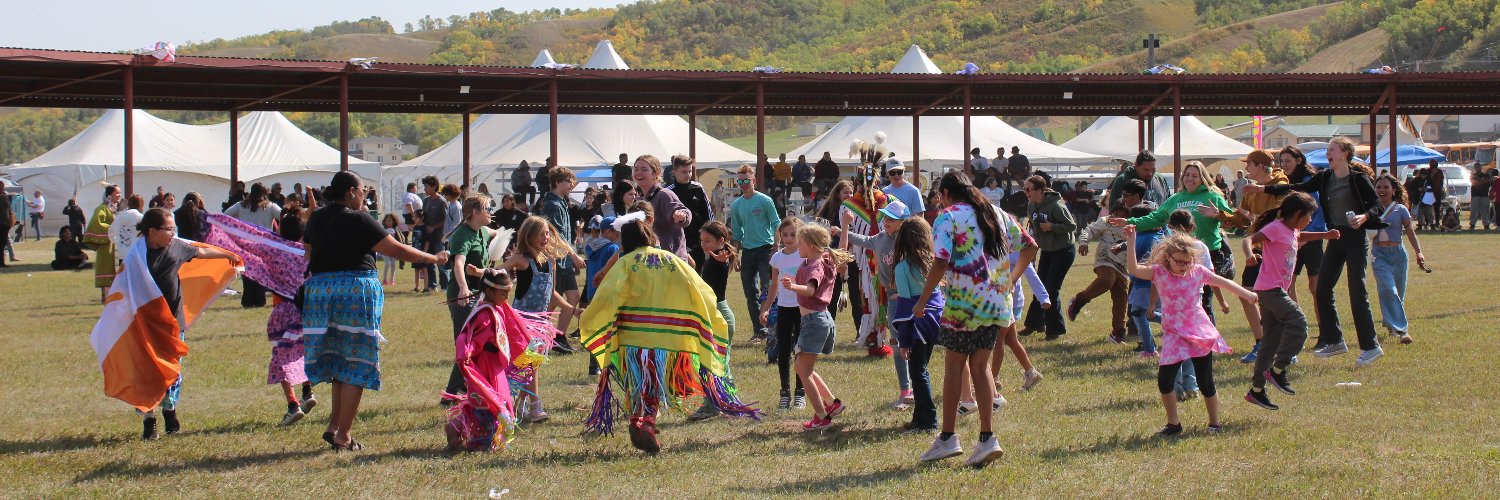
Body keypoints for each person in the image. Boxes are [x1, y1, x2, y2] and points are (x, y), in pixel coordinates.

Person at [579, 213, 757, 454]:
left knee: (636, 381)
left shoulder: (626, 262)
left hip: (632, 337)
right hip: (666, 338)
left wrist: (591, 317)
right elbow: (697, 287)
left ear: (626, 242)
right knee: (653, 383)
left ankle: (635, 420)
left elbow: (607, 293)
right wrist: (706, 313)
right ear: (649, 236)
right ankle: (649, 422)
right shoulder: (670, 260)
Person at [302, 170, 449, 451]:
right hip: (354, 291)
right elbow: (398, 251)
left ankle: (334, 426)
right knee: (356, 361)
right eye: (362, 191)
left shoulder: (317, 216)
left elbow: (307, 251)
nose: (365, 196)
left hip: (320, 292)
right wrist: (435, 258)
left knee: (337, 362)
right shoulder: (358, 218)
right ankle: (344, 436)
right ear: (350, 193)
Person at [914, 171, 1036, 467]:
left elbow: (941, 260)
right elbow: (1030, 246)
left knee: (954, 366)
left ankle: (947, 438)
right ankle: (986, 438)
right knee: (980, 368)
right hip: (997, 304)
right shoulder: (996, 212)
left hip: (963, 306)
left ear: (944, 193)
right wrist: (1010, 279)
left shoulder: (947, 216)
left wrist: (922, 300)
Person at [101, 208, 241, 440]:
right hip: (142, 325)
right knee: (145, 372)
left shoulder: (176, 247)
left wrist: (227, 256)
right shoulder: (135, 258)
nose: (173, 233)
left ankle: (169, 410)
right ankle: (149, 419)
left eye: (174, 229)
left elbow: (200, 252)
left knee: (172, 370)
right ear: (152, 231)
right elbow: (122, 291)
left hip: (173, 323)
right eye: (169, 229)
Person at [1246, 137, 1387, 365]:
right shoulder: (1325, 177)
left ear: (1343, 153)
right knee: (1322, 289)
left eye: (1331, 150)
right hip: (1336, 236)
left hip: (1355, 238)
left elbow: (1376, 206)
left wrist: (1364, 217)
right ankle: (1334, 340)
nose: (1327, 153)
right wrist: (1263, 188)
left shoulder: (1358, 179)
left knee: (1357, 290)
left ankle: (1370, 346)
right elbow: (1296, 187)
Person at [1123, 226, 1256, 436]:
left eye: (1188, 261)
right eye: (1179, 262)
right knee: (1164, 381)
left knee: (1205, 381)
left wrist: (1248, 295)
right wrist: (1131, 241)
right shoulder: (1158, 272)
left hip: (1198, 332)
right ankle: (1173, 424)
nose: (1184, 266)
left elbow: (1224, 282)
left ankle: (1214, 423)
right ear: (1168, 258)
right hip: (1174, 334)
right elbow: (1134, 269)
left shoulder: (1198, 272)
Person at [1112, 161, 1244, 329]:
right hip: (1179, 257)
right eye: (1187, 175)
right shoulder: (1176, 198)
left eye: (1195, 176)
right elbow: (1156, 218)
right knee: (1181, 302)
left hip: (1205, 254)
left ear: (1202, 177)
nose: (1190, 179)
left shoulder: (1213, 196)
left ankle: (1207, 339)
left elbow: (1234, 223)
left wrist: (1218, 214)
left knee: (1203, 302)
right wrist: (1130, 221)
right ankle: (1183, 334)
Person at [1242, 192, 1340, 411]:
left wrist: (1326, 235)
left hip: (1273, 290)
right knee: (1299, 324)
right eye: (1309, 216)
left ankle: (1256, 390)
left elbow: (1301, 235)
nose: (1310, 220)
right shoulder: (1276, 228)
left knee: (1269, 342)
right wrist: (1249, 255)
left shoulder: (1291, 230)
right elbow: (1249, 238)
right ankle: (1278, 370)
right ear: (1297, 214)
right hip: (1270, 290)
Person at [443, 269, 556, 451]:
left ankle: (458, 427)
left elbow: (512, 327)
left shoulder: (496, 308)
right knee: (489, 400)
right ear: (489, 292)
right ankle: (482, 439)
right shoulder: (485, 314)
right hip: (485, 365)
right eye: (503, 293)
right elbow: (472, 339)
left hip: (494, 365)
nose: (506, 298)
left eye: (507, 293)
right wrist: (468, 353)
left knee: (490, 400)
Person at [844, 199, 915, 408]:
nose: (886, 221)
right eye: (885, 217)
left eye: (892, 218)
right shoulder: (881, 238)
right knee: (897, 344)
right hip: (893, 297)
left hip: (911, 297)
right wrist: (843, 229)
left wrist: (906, 293)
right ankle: (905, 391)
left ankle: (919, 387)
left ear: (904, 221)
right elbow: (862, 240)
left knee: (916, 344)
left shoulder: (910, 240)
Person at [782, 224, 853, 431]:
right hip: (817, 320)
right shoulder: (820, 260)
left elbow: (810, 290)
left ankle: (822, 417)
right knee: (802, 368)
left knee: (804, 371)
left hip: (814, 322)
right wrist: (844, 228)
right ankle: (832, 403)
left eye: (801, 242)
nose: (797, 245)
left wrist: (792, 286)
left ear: (812, 245)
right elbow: (841, 246)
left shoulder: (815, 265)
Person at [1230, 151, 1287, 363]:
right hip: (1256, 250)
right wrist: (1219, 214)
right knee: (1247, 295)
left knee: (1275, 300)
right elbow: (1240, 218)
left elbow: (1282, 215)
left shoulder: (1280, 181)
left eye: (1249, 165)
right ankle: (1262, 342)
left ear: (1261, 166)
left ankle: (1283, 346)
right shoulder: (1250, 190)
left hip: (1275, 250)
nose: (1246, 169)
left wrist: (1253, 216)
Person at [891, 217, 944, 431]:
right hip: (935, 322)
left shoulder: (902, 268)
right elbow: (932, 294)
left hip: (916, 326)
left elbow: (906, 308)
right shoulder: (933, 261)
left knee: (918, 371)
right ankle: (919, 418)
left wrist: (903, 341)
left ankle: (928, 420)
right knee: (921, 369)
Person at [441, 195, 494, 404]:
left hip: (479, 294)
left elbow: (497, 233)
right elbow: (458, 263)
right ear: (475, 213)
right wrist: (463, 287)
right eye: (488, 208)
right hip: (462, 297)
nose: (491, 211)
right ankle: (453, 393)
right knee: (466, 345)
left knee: (476, 342)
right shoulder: (462, 235)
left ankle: (461, 389)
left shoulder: (482, 230)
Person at [686, 221, 739, 421]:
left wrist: (718, 259)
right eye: (701, 240)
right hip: (713, 315)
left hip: (719, 317)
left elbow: (721, 264)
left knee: (714, 363)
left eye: (708, 240)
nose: (703, 244)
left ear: (721, 241)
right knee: (715, 362)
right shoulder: (711, 259)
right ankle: (726, 401)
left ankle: (715, 405)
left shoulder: (719, 260)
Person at [1369, 173, 1423, 345]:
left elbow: (1409, 231)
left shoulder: (1401, 209)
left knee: (1398, 293)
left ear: (1393, 190)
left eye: (1386, 187)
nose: (1382, 190)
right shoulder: (1371, 210)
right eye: (1378, 187)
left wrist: (1418, 252)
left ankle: (1391, 324)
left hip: (1398, 254)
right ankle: (1402, 331)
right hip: (1379, 255)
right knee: (1388, 289)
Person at [729, 164, 782, 343]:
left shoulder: (765, 201)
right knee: (749, 292)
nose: (743, 184)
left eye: (746, 180)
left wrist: (777, 246)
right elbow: (737, 232)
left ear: (754, 181)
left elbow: (776, 224)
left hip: (766, 250)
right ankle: (759, 331)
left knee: (767, 289)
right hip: (748, 252)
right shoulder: (736, 205)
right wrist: (735, 254)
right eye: (740, 181)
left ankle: (772, 327)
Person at [1021, 175, 1077, 340]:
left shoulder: (1056, 206)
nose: (1026, 192)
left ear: (1040, 190)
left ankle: (1054, 330)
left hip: (1063, 251)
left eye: (1028, 189)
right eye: (1025, 189)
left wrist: (1053, 226)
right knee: (1040, 287)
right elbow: (1034, 228)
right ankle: (1034, 324)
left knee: (1051, 289)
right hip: (1047, 250)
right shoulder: (1031, 205)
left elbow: (1071, 226)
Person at [760, 217, 807, 409]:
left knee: (801, 350)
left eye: (793, 235)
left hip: (802, 309)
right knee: (784, 349)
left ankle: (800, 392)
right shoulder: (777, 258)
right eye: (785, 234)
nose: (788, 238)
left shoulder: (805, 255)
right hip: (784, 309)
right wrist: (767, 307)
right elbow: (774, 286)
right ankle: (784, 392)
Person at [1068, 202, 1131, 343]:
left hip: (1122, 265)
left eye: (1122, 215)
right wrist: (1084, 242)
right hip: (1105, 258)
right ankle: (1079, 300)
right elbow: (1089, 230)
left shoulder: (1131, 225)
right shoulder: (1105, 221)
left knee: (1121, 298)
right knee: (1107, 280)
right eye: (1115, 214)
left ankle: (1118, 332)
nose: (1117, 218)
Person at [538, 167, 587, 347]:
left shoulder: (562, 202)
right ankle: (536, 331)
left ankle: (559, 337)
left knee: (573, 297)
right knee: (552, 301)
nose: (572, 185)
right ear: (557, 182)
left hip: (564, 261)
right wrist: (574, 254)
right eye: (568, 181)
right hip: (555, 261)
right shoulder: (552, 204)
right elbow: (556, 235)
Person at [1280, 146, 1326, 325]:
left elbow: (1317, 211)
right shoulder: (1284, 182)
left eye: (1288, 161)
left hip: (1311, 239)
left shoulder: (1309, 182)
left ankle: (1325, 329)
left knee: (1315, 287)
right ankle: (1297, 325)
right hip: (1290, 240)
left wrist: (1306, 236)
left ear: (1299, 161)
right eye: (1282, 161)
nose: (1284, 165)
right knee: (1288, 284)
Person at [225, 183, 282, 308]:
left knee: (248, 273)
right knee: (261, 272)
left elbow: (226, 215)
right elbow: (284, 216)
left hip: (245, 244)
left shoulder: (241, 205)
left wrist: (235, 231)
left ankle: (248, 299)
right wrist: (277, 233)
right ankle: (259, 299)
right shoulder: (270, 206)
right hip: (264, 244)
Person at [633, 155, 693, 263]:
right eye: (636, 169)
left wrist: (682, 216)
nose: (638, 172)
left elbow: (684, 211)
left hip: (671, 262)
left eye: (644, 169)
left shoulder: (664, 195)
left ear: (656, 173)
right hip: (654, 262)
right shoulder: (640, 199)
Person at [667, 155, 713, 266]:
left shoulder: (698, 188)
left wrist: (710, 234)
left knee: (699, 273)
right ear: (674, 172)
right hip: (678, 241)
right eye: (684, 172)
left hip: (699, 240)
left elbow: (708, 213)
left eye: (690, 171)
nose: (688, 175)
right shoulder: (667, 192)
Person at [85, 185, 123, 298]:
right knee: (107, 268)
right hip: (107, 246)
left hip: (117, 245)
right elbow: (96, 223)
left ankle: (116, 295)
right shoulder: (102, 209)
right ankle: (106, 296)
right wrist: (113, 228)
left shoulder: (116, 209)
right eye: (117, 193)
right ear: (110, 195)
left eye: (120, 193)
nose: (119, 195)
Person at [1106, 150, 1173, 210]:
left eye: (1153, 169)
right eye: (1145, 170)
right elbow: (1114, 211)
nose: (1150, 173)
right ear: (1136, 166)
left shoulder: (1160, 179)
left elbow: (1169, 205)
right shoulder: (1122, 181)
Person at [420, 176, 447, 292]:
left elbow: (446, 220)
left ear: (434, 186)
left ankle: (445, 286)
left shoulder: (441, 201)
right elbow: (423, 217)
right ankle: (432, 285)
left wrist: (434, 227)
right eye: (424, 186)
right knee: (429, 261)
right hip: (427, 237)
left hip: (439, 236)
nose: (424, 189)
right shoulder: (425, 200)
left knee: (441, 262)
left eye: (426, 186)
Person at [111, 195, 146, 263]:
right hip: (137, 254)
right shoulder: (140, 217)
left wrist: (119, 242)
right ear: (140, 205)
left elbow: (111, 233)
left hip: (123, 254)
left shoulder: (119, 217)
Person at [380, 214, 401, 285]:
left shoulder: (395, 229)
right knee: (387, 264)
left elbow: (400, 239)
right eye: (387, 220)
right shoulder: (383, 229)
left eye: (390, 221)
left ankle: (392, 280)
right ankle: (384, 280)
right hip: (385, 250)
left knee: (393, 264)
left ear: (393, 221)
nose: (388, 222)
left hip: (393, 249)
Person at [1471, 166, 1493, 230]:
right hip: (1475, 195)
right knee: (1474, 211)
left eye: (1479, 167)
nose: (1478, 169)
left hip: (1485, 195)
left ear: (1481, 168)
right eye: (1476, 167)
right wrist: (1482, 181)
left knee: (1485, 211)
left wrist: (1479, 181)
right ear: (1474, 168)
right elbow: (1475, 182)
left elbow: (1488, 181)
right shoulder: (1472, 175)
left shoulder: (1486, 175)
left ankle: (1486, 224)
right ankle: (1472, 224)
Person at [0, 180, 12, 267]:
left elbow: (9, 209)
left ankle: (2, 262)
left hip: (5, 223)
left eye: (2, 186)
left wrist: (11, 220)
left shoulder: (5, 196)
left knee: (3, 243)